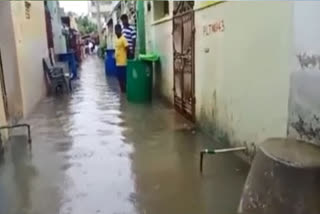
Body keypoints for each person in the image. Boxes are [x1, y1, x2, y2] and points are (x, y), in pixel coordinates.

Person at [115, 24, 129, 93]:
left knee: (124, 80)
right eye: (115, 30)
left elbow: (127, 48)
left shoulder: (123, 39)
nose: (116, 32)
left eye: (118, 30)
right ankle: (122, 95)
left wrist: (128, 59)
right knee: (119, 79)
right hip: (118, 63)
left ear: (120, 30)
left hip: (123, 63)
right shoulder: (117, 40)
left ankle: (125, 93)